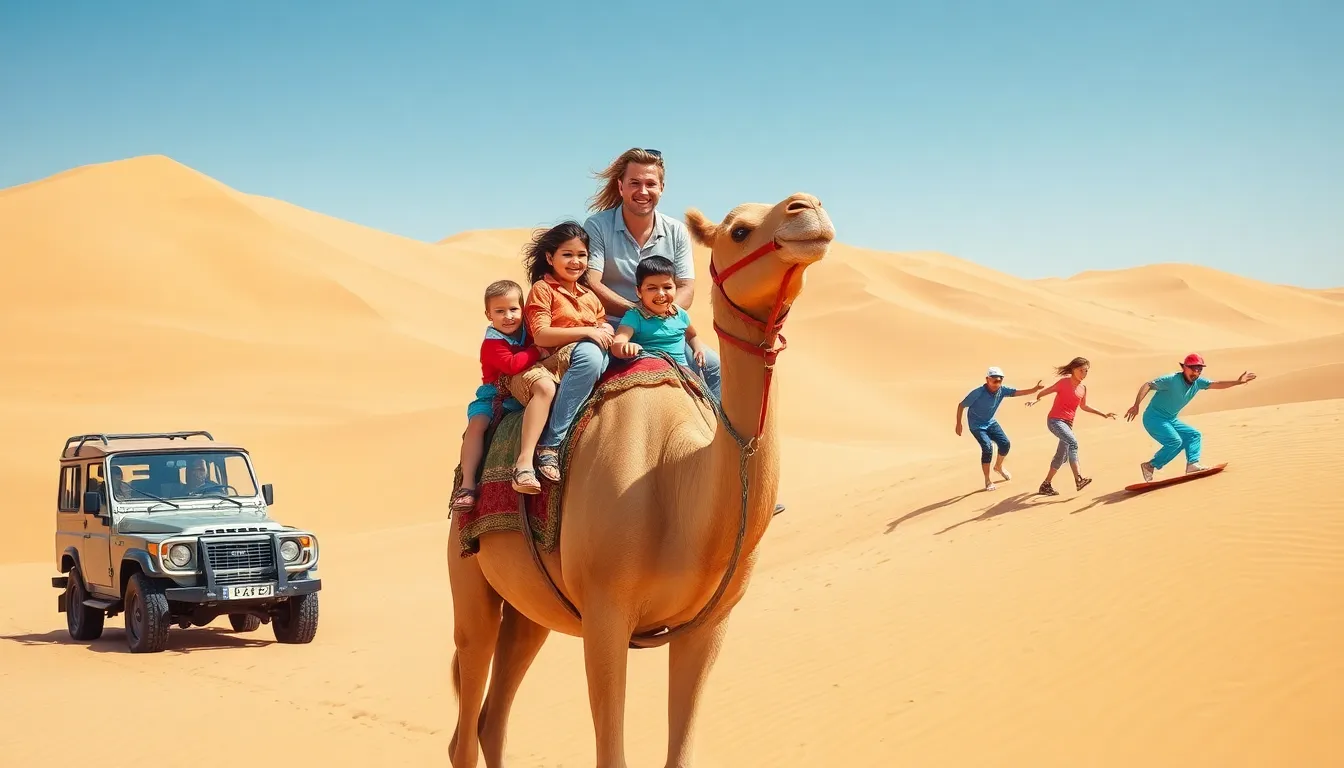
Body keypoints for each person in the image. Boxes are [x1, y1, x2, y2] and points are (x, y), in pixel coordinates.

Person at [583, 148, 784, 515]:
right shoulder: (597, 227)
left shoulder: (674, 231)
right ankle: (555, 459)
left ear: (662, 187)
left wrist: (661, 311)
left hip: (668, 329)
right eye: (634, 183)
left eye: (650, 183)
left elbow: (687, 289)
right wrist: (636, 312)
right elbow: (592, 281)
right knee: (585, 367)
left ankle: (739, 474)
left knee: (716, 370)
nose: (643, 190)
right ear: (621, 186)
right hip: (613, 330)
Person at [451, 279, 560, 512]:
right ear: (488, 314)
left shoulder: (526, 333)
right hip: (494, 396)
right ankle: (467, 485)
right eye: (500, 311)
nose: (508, 316)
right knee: (477, 425)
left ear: (523, 309)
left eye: (513, 309)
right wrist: (534, 351)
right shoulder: (491, 343)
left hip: (519, 393)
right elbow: (512, 365)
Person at [523, 222, 614, 483]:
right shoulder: (543, 289)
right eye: (568, 255)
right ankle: (550, 445)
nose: (576, 262)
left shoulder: (590, 296)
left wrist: (606, 331)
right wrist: (587, 331)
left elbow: (601, 325)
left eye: (582, 255)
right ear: (550, 258)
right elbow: (541, 334)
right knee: (591, 356)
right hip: (553, 363)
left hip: (590, 354)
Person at [1124, 353, 1256, 482]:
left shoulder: (1198, 382)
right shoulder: (1171, 380)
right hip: (1154, 418)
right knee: (1175, 442)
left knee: (1194, 435)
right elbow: (1148, 384)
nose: (1196, 372)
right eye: (1193, 368)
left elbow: (1217, 384)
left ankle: (1192, 464)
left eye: (1199, 369)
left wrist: (1238, 382)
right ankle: (1151, 465)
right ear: (1184, 367)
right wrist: (1136, 405)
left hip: (1171, 419)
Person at [610, 255, 719, 399]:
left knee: (705, 405)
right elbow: (617, 343)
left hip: (680, 372)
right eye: (652, 288)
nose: (661, 294)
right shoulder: (635, 316)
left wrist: (698, 349)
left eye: (667, 287)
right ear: (638, 291)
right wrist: (625, 347)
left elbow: (692, 335)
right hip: (646, 370)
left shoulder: (680, 314)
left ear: (675, 288)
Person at [1025, 357, 1116, 495]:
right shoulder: (1063, 383)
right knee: (1073, 443)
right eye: (1081, 370)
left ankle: (1046, 484)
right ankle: (1078, 479)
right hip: (1055, 421)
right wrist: (1035, 400)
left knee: (1061, 456)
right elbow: (1044, 392)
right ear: (1073, 369)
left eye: (1086, 371)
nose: (1084, 374)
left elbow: (1084, 406)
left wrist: (1103, 414)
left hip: (1068, 425)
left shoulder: (1083, 388)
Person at [956, 366, 1043, 490]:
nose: (997, 384)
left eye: (1000, 381)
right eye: (994, 381)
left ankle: (998, 467)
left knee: (1005, 444)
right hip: (976, 425)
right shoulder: (978, 392)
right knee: (987, 448)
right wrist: (959, 423)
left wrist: (1034, 389)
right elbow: (961, 405)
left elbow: (1018, 392)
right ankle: (987, 480)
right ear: (987, 379)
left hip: (990, 422)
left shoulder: (1002, 390)